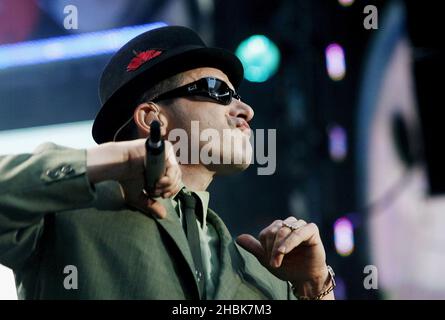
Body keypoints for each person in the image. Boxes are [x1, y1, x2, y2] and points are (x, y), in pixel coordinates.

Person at [0, 26, 334, 300]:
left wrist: (314, 290)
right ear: (150, 117)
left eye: (239, 97)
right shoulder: (69, 211)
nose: (246, 111)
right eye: (218, 90)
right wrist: (127, 157)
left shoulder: (263, 272)